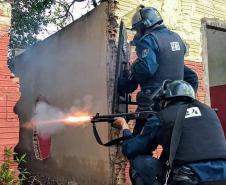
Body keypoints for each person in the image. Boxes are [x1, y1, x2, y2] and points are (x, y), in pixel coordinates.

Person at [114, 80, 226, 185]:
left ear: (166, 99)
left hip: (188, 178)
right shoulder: (210, 112)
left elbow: (131, 148)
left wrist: (124, 127)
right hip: (222, 177)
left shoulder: (162, 117)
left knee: (139, 162)